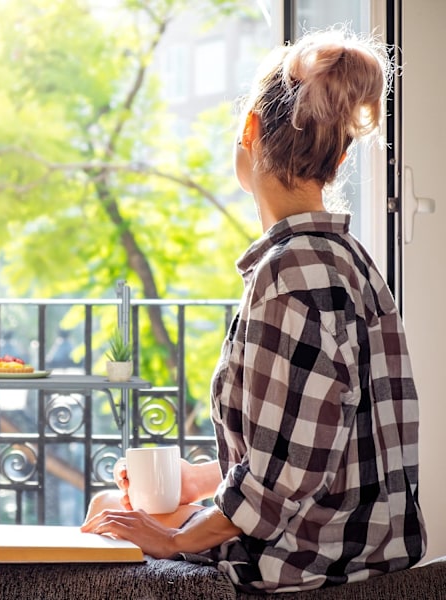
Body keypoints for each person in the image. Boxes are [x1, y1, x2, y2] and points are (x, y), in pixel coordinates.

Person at [81, 27, 427, 593]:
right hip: (362, 554)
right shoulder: (351, 262)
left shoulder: (289, 276)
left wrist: (171, 539)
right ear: (338, 158)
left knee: (103, 530)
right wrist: (195, 479)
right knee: (111, 507)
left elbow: (277, 487)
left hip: (303, 568)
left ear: (249, 129)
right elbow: (308, 449)